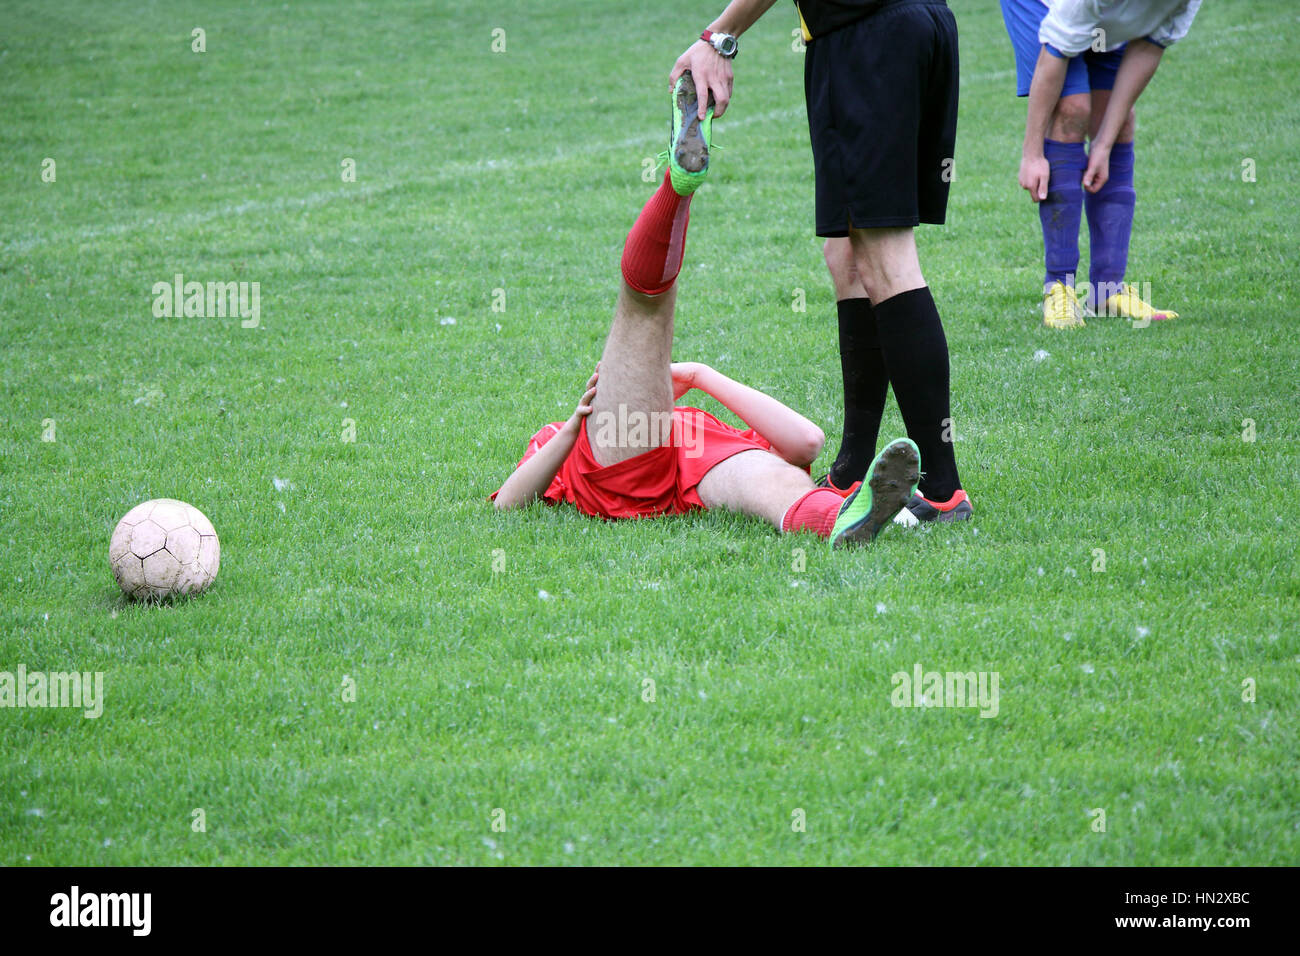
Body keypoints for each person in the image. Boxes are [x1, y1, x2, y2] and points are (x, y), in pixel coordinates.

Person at [492, 75, 921, 549]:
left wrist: (698, 374)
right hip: (615, 456)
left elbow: (806, 443)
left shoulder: (713, 436)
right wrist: (575, 426)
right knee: (646, 308)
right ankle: (679, 188)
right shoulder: (569, 436)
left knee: (778, 487)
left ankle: (841, 520)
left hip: (687, 473)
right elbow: (507, 503)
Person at [670, 0, 971, 523]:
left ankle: (943, 492)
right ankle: (852, 469)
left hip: (866, 35)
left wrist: (719, 38)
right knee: (848, 254)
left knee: (885, 256)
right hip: (915, 25)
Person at [1009, 0, 1200, 327]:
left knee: (1120, 120)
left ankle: (1107, 291)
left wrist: (1104, 144)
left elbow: (1149, 47)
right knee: (1072, 109)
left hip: (1106, 18)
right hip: (1044, 5)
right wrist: (1032, 153)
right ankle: (1060, 287)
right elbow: (1055, 51)